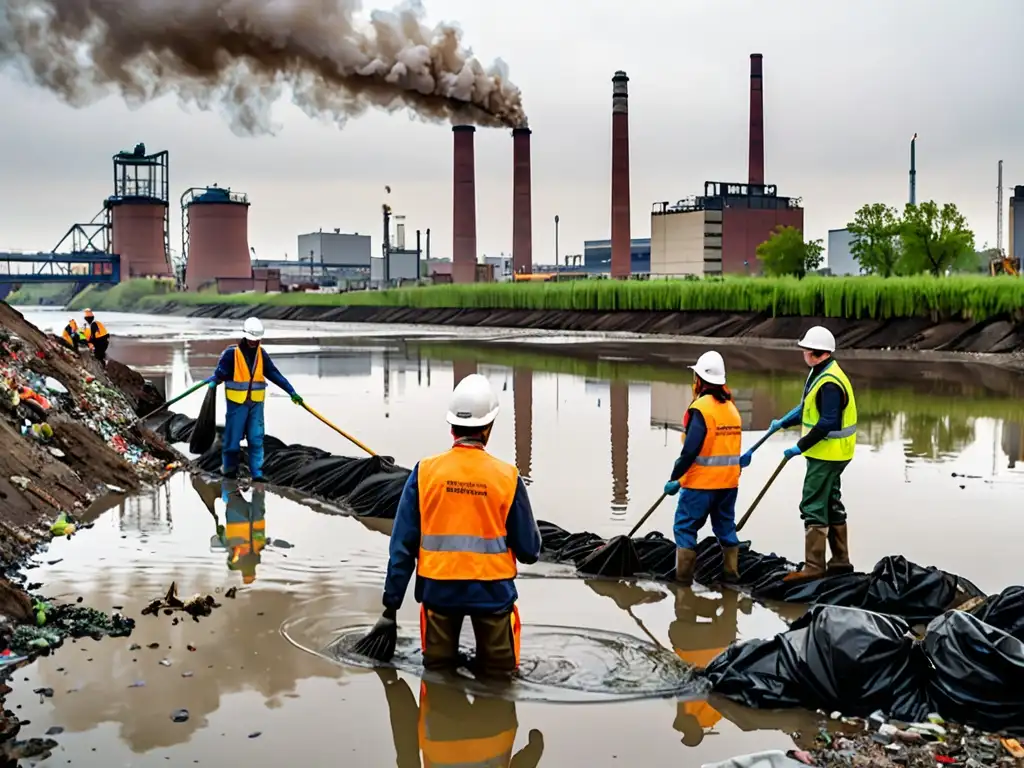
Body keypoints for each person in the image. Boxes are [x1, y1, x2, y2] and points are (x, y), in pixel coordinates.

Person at [372, 373, 542, 676]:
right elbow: (529, 550)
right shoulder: (507, 477)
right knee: (500, 678)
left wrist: (391, 605)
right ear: (488, 428)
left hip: (439, 592)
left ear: (452, 428)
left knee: (437, 674)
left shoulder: (424, 473)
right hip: (492, 595)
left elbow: (402, 547)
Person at [770, 325, 857, 582]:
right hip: (834, 453)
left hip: (827, 454)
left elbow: (827, 421)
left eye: (805, 349)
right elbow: (809, 408)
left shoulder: (829, 382)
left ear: (814, 352)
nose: (803, 353)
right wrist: (784, 422)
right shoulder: (822, 372)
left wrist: (800, 446)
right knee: (831, 501)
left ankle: (814, 567)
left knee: (812, 503)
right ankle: (840, 562)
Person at [663, 351, 744, 586]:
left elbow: (690, 451)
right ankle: (731, 576)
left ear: (699, 380)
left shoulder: (701, 409)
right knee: (726, 529)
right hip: (729, 484)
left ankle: (683, 583)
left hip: (700, 485)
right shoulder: (731, 408)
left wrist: (675, 477)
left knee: (685, 527)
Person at [376, 669, 544, 768]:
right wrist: (391, 683)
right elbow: (407, 753)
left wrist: (535, 749)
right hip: (442, 731)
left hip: (493, 729)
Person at [209, 317, 303, 481]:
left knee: (256, 439)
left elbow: (274, 374)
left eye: (257, 339)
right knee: (232, 441)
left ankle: (257, 473)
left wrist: (291, 391)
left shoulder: (262, 354)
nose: (254, 343)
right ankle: (229, 470)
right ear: (245, 336)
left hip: (256, 404)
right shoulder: (231, 354)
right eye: (252, 339)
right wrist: (215, 379)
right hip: (237, 404)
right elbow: (220, 373)